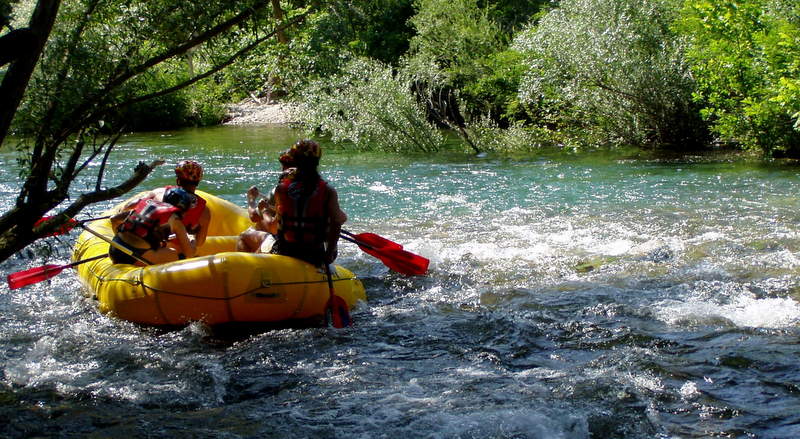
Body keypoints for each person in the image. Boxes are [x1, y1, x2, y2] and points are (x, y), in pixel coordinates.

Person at [239, 139, 347, 266]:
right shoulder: (328, 191)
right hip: (315, 255)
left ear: (295, 161)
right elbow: (338, 221)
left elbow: (276, 225)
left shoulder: (281, 189)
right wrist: (328, 254)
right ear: (317, 162)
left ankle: (247, 270)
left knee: (245, 236)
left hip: (285, 252)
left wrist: (263, 209)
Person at [122, 160, 211, 251]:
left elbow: (127, 207)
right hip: (173, 251)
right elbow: (200, 242)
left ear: (178, 180)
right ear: (198, 181)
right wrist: (191, 237)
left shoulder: (159, 192)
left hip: (139, 242)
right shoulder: (204, 211)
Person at [108, 187, 196, 266]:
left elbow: (114, 219)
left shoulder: (147, 205)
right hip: (133, 256)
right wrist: (192, 238)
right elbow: (190, 254)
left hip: (114, 250)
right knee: (176, 254)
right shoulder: (175, 220)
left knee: (161, 246)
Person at [236, 149, 294, 253]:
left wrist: (252, 200)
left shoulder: (281, 190)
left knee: (244, 235)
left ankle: (248, 266)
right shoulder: (318, 191)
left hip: (286, 248)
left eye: (285, 165)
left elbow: (258, 219)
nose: (282, 169)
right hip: (314, 250)